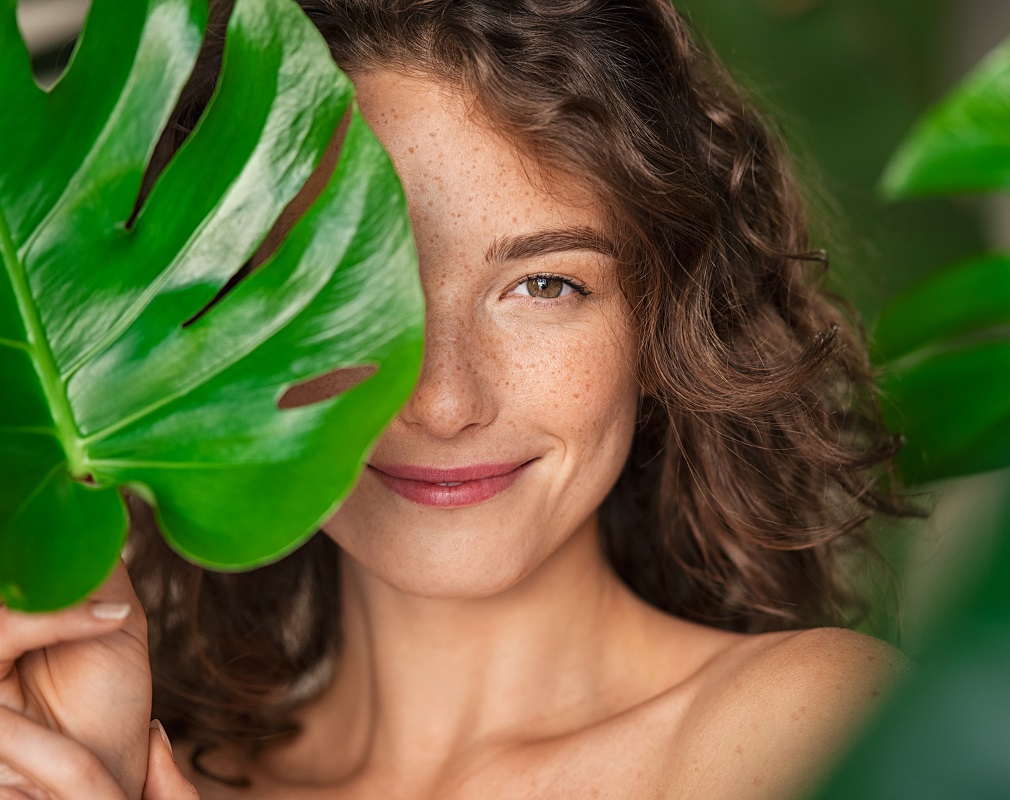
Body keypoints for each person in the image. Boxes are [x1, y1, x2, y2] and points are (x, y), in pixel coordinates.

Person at [0, 1, 910, 797]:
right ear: (223, 326)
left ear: (661, 321)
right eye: (349, 295)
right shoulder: (121, 775)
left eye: (545, 286)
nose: (442, 401)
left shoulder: (812, 730)